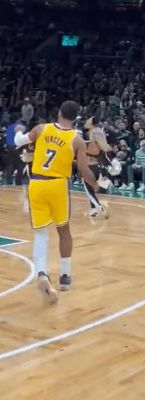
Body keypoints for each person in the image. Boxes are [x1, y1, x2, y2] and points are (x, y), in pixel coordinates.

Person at [14, 100, 98, 302]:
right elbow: (83, 169)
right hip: (58, 185)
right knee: (64, 230)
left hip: (37, 184)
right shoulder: (77, 140)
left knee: (41, 233)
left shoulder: (41, 128)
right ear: (75, 118)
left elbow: (18, 141)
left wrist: (18, 130)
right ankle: (65, 276)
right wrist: (95, 184)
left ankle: (42, 273)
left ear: (59, 112)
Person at [83, 124, 111, 218]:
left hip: (88, 169)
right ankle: (93, 210)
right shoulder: (101, 145)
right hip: (96, 169)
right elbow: (106, 159)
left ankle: (101, 208)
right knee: (91, 190)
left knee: (89, 192)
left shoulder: (88, 144)